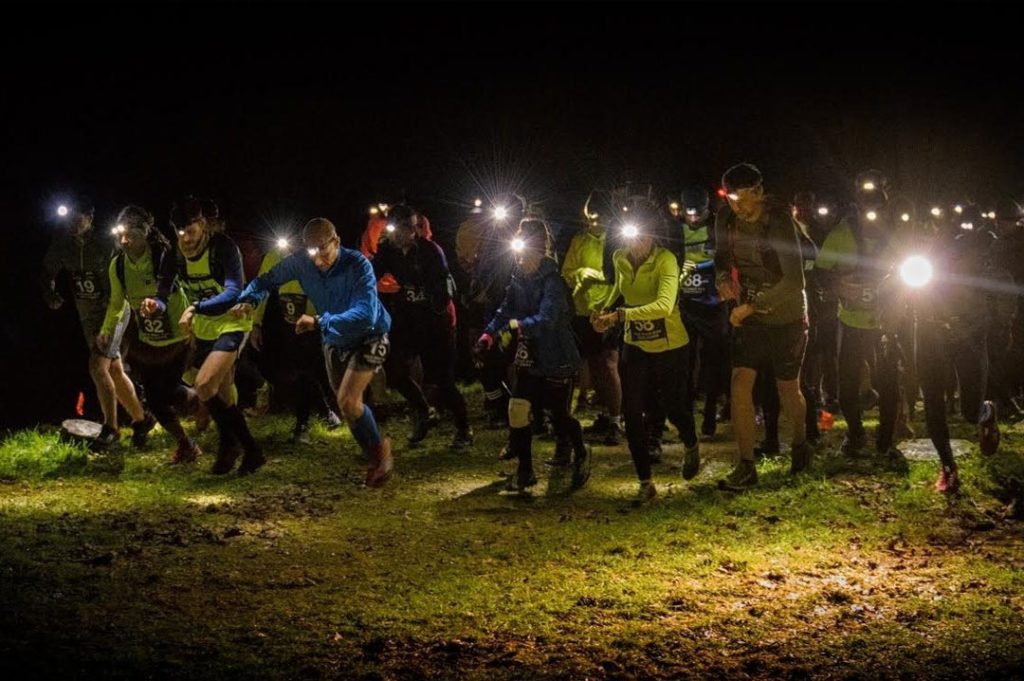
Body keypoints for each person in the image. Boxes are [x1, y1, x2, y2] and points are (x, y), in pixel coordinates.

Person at [233, 218, 394, 487]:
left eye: (323, 249)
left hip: (370, 335)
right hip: (334, 339)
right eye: (311, 251)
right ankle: (374, 455)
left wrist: (318, 321)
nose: (318, 258)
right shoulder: (301, 262)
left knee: (349, 399)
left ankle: (380, 455)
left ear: (336, 242)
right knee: (346, 406)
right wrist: (248, 299)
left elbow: (366, 314)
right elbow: (266, 280)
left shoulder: (358, 265)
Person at [592, 192, 700, 502]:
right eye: (629, 235)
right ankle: (645, 481)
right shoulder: (619, 258)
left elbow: (665, 305)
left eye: (640, 235)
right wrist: (602, 311)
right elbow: (617, 291)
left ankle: (690, 442)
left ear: (652, 233)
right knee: (632, 410)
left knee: (675, 407)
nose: (634, 243)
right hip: (635, 345)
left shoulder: (665, 259)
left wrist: (620, 315)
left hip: (670, 346)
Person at [713, 163, 812, 490]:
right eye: (730, 198)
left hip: (786, 315)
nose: (736, 206)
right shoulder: (725, 218)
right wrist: (723, 278)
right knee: (740, 382)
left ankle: (800, 443)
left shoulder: (779, 222)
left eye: (742, 198)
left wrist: (749, 307)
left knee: (788, 388)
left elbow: (795, 281)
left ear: (759, 192)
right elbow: (721, 257)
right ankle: (746, 465)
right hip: (750, 315)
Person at [477, 218, 591, 494]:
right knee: (518, 409)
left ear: (540, 251)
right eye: (518, 253)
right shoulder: (518, 278)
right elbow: (505, 310)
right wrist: (489, 334)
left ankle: (581, 450)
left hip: (556, 356)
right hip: (530, 357)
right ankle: (525, 470)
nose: (521, 259)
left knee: (559, 415)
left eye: (526, 254)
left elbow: (548, 319)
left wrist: (518, 326)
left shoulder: (553, 281)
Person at [815, 172, 907, 469]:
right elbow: (820, 271)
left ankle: (885, 441)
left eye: (879, 210)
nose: (872, 217)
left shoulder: (898, 235)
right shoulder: (842, 234)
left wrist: (896, 287)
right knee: (847, 382)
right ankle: (854, 435)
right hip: (851, 321)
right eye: (867, 210)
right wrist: (838, 285)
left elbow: (916, 267)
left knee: (889, 381)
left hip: (887, 321)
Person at [41, 195, 148, 450]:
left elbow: (127, 272)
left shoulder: (106, 243)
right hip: (87, 316)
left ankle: (111, 429)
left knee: (97, 368)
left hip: (115, 311)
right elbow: (47, 270)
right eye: (70, 221)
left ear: (90, 219)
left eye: (79, 220)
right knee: (114, 371)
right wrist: (50, 291)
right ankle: (142, 419)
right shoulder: (63, 245)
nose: (74, 225)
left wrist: (112, 322)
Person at [100, 206, 200, 463]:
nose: (124, 241)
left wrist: (159, 303)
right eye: (120, 235)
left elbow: (179, 286)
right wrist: (106, 330)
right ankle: (186, 443)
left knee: (167, 391)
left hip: (179, 337)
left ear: (145, 231)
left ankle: (204, 403)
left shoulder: (163, 255)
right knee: (155, 401)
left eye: (130, 234)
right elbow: (115, 303)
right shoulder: (118, 265)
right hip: (149, 342)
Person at [172, 197, 263, 475]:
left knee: (204, 384)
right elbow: (174, 289)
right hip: (206, 327)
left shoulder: (223, 247)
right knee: (223, 391)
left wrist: (195, 308)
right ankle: (236, 447)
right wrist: (164, 307)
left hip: (233, 322)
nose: (186, 237)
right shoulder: (178, 252)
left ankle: (242, 446)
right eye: (180, 231)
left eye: (192, 229)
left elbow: (235, 289)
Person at [372, 205, 473, 448]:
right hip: (407, 320)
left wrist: (421, 295)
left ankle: (464, 427)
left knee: (443, 380)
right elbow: (370, 273)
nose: (397, 234)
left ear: (414, 228)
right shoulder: (388, 250)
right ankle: (422, 411)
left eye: (405, 228)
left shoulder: (430, 251)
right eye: (393, 228)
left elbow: (443, 290)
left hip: (437, 322)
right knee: (395, 372)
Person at [251, 237, 342, 444]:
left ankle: (308, 422)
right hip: (289, 323)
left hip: (315, 321)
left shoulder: (318, 253)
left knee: (310, 370)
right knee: (302, 371)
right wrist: (256, 323)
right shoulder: (275, 255)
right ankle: (322, 414)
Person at [561, 193, 622, 446]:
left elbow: (619, 276)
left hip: (608, 310)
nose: (591, 223)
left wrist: (594, 275)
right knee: (595, 365)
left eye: (596, 218)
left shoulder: (617, 242)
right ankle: (606, 415)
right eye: (588, 219)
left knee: (609, 364)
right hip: (584, 310)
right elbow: (567, 271)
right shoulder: (580, 240)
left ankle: (617, 421)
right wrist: (580, 273)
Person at [676, 185, 730, 441]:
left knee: (714, 361)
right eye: (689, 214)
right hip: (687, 305)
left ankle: (710, 411)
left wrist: (701, 265)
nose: (694, 218)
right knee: (684, 364)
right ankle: (685, 415)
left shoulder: (718, 227)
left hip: (714, 305)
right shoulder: (675, 228)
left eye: (699, 213)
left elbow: (727, 258)